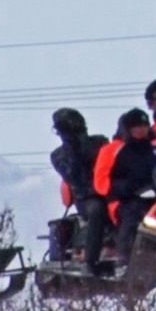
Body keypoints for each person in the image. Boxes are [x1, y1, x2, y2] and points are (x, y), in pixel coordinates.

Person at [93, 108, 156, 272]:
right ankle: (125, 259)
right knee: (134, 214)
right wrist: (125, 187)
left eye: (144, 126)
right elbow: (101, 182)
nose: (141, 130)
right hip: (123, 200)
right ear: (127, 129)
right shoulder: (114, 150)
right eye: (136, 127)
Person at [48, 108, 111, 273]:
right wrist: (73, 147)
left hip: (111, 190)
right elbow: (72, 175)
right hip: (86, 196)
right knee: (97, 210)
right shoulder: (59, 155)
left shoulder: (100, 142)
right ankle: (92, 260)